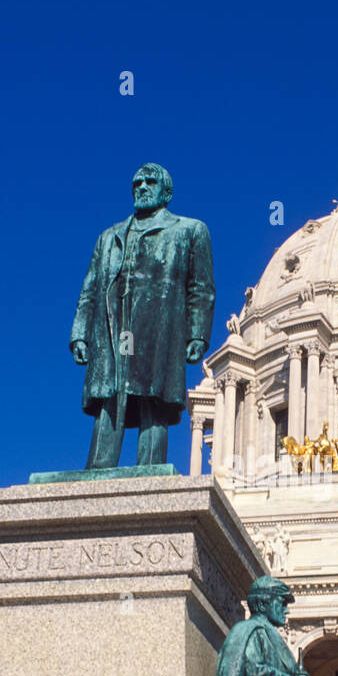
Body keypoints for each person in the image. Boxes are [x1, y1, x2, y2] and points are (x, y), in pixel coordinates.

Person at [70, 163, 215, 469]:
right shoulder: (109, 237)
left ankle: (149, 470)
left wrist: (197, 334)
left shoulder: (190, 230)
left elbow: (201, 288)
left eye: (150, 182)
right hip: (117, 328)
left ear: (167, 193)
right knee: (111, 394)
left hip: (160, 326)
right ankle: (98, 468)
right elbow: (90, 289)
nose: (142, 187)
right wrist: (80, 334)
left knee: (154, 397)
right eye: (137, 183)